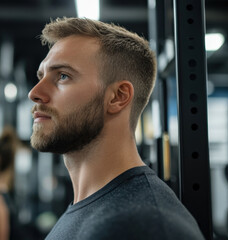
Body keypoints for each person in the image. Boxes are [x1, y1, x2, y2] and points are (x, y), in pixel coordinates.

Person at [28, 17, 205, 240]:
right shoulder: (91, 208)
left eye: (63, 76)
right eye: (41, 76)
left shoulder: (140, 225)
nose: (34, 92)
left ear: (118, 97)